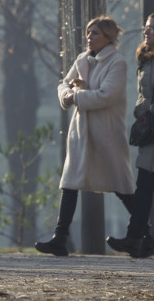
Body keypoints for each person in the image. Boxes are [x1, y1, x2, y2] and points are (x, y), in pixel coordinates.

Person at [36, 15, 135, 256]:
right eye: (88, 33)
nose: (89, 37)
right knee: (69, 183)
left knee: (121, 185)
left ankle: (146, 230)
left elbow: (107, 95)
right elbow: (65, 84)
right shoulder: (82, 59)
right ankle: (60, 237)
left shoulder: (117, 63)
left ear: (108, 37)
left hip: (106, 133)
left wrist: (76, 97)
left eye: (95, 33)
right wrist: (66, 94)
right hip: (81, 132)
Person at [107, 15, 154, 258]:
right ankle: (136, 238)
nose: (146, 32)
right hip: (150, 134)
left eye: (151, 29)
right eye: (145, 28)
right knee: (144, 186)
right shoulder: (145, 58)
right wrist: (140, 112)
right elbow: (142, 95)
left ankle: (142, 239)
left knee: (146, 187)